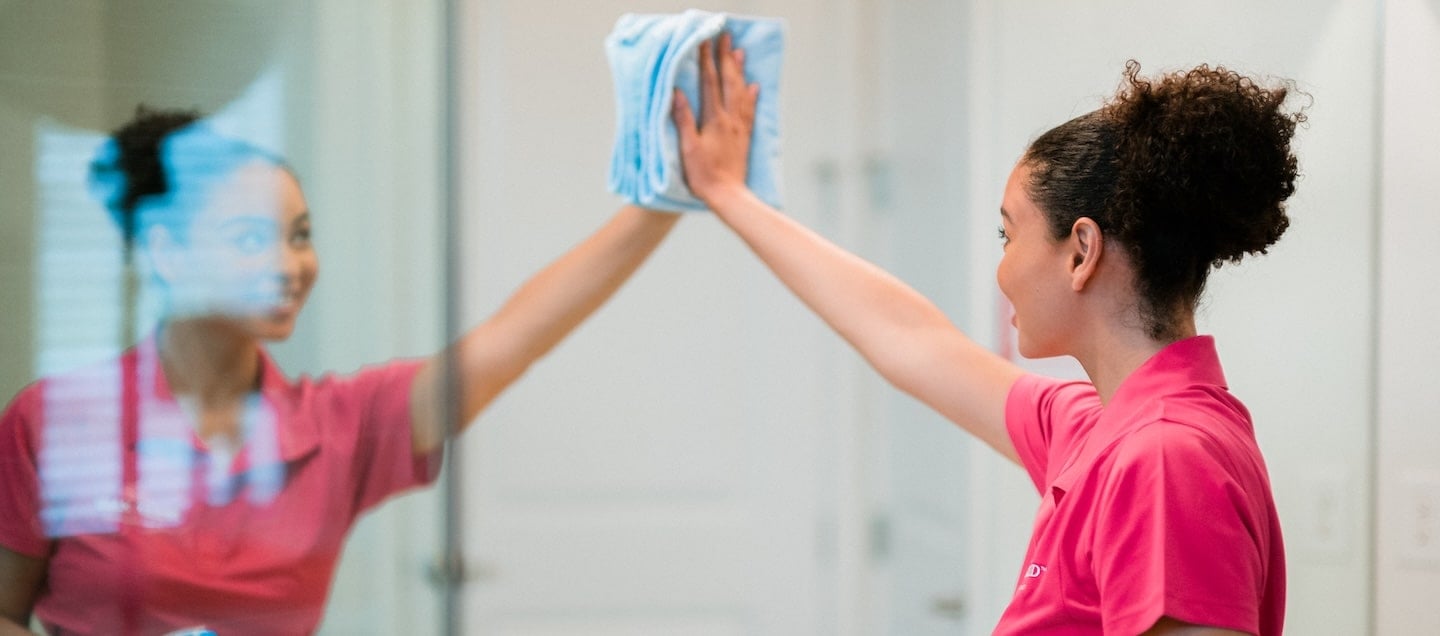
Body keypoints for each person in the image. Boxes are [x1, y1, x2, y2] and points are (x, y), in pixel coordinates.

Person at [675, 34, 1298, 635]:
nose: (1002, 269)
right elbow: (914, 340)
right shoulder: (1098, 431)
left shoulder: (1164, 459)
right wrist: (728, 196)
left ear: (1081, 251)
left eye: (1009, 235)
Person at [0, 107, 680, 635]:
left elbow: (518, 337)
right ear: (166, 253)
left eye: (298, 234)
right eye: (249, 238)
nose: (290, 265)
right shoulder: (54, 421)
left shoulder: (341, 427)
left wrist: (664, 200)